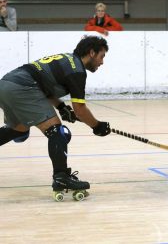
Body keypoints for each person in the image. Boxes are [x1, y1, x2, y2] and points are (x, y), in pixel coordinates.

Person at [0, 35, 111, 199]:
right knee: (58, 132)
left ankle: (61, 176)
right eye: (102, 56)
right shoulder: (77, 71)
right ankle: (61, 177)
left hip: (6, 85)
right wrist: (97, 126)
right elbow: (80, 109)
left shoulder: (68, 59)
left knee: (19, 129)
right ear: (92, 53)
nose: (102, 62)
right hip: (23, 88)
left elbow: (43, 85)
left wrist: (60, 106)